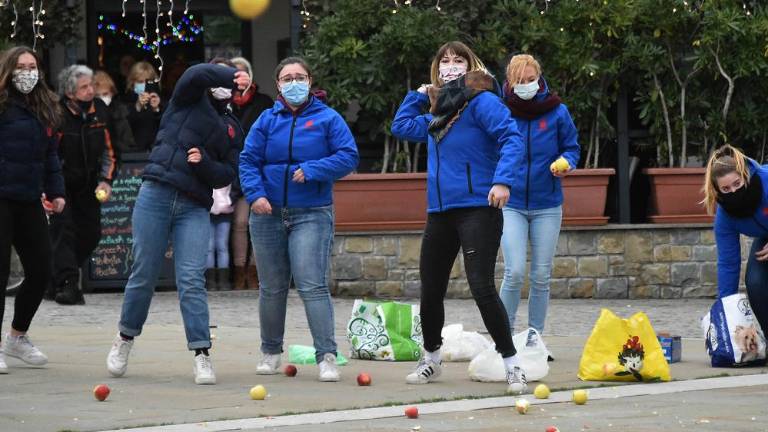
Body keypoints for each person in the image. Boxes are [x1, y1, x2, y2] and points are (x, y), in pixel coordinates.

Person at [391, 41, 527, 394]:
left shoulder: (483, 102)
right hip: (440, 211)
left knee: (481, 285)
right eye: (445, 61)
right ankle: (431, 359)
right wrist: (420, 95)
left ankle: (512, 364)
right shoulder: (438, 110)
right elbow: (401, 126)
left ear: (470, 65)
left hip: (479, 207)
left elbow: (512, 138)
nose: (451, 66)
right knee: (430, 289)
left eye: (458, 60)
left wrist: (502, 180)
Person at [106, 60, 249, 385]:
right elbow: (196, 74)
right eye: (221, 75)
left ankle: (202, 354)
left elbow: (228, 172)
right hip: (156, 192)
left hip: (194, 205)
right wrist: (230, 73)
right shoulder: (189, 96)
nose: (223, 82)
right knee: (143, 272)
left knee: (191, 279)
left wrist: (203, 164)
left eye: (230, 78)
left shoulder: (232, 126)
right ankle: (125, 339)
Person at [240, 56, 359, 382]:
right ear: (278, 85)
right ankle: (270, 351)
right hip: (267, 215)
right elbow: (248, 159)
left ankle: (327, 357)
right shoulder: (265, 120)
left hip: (312, 214)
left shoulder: (328, 118)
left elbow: (349, 156)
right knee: (272, 288)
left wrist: (314, 169)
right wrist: (256, 195)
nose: (294, 83)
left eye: (300, 77)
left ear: (310, 81)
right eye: (287, 78)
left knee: (312, 285)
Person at [498, 54, 580, 350]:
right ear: (509, 82)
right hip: (512, 202)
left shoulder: (558, 112)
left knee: (541, 275)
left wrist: (566, 162)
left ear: (540, 78)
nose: (526, 85)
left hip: (547, 204)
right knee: (515, 270)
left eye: (531, 80)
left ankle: (534, 337)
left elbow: (572, 148)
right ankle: (503, 336)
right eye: (520, 81)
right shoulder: (501, 112)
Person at [0, 46, 66, 373]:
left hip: (28, 198)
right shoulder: (2, 105)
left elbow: (50, 155)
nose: (27, 72)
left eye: (32, 66)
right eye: (21, 67)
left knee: (41, 269)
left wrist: (56, 192)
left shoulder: (45, 107)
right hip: (2, 196)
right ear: (9, 70)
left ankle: (17, 336)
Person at [49, 65, 117, 305]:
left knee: (91, 234)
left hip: (89, 184)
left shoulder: (100, 111)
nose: (91, 91)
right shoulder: (57, 115)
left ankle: (55, 274)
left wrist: (106, 180)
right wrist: (51, 185)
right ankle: (67, 284)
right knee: (63, 231)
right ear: (70, 93)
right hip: (62, 182)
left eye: (92, 86)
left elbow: (110, 150)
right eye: (84, 87)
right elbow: (49, 153)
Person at [703, 144, 768, 338]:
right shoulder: (725, 218)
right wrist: (725, 311)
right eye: (725, 188)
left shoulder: (765, 182)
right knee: (755, 282)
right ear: (718, 191)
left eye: (737, 184)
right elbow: (728, 264)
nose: (733, 191)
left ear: (745, 176)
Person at [229, 56, 273, 289]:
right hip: (233, 170)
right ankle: (237, 271)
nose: (239, 78)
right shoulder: (223, 102)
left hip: (259, 169)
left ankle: (255, 270)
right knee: (239, 222)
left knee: (258, 221)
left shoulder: (264, 102)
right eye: (234, 74)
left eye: (243, 72)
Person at [121, 61, 162, 151]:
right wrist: (137, 107)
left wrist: (157, 110)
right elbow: (125, 127)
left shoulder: (159, 100)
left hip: (156, 152)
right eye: (140, 81)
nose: (144, 85)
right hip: (134, 154)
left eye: (147, 81)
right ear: (132, 82)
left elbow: (166, 128)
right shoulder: (124, 102)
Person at [93, 70, 137, 154]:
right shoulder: (88, 116)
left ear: (112, 93)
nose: (102, 98)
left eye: (105, 94)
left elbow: (128, 144)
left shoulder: (121, 112)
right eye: (97, 95)